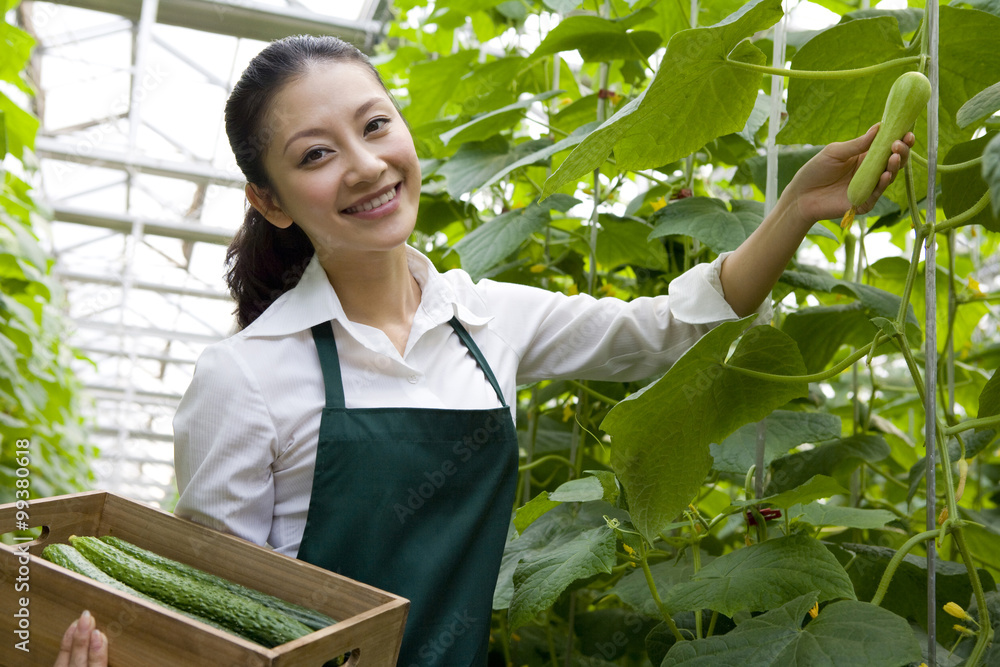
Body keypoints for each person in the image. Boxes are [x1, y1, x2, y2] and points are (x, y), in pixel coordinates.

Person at [164, 34, 912, 667]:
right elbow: (211, 615)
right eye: (317, 154)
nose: (364, 165)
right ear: (269, 200)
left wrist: (799, 205)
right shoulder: (245, 375)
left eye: (376, 125)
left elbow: (671, 328)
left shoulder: (489, 320)